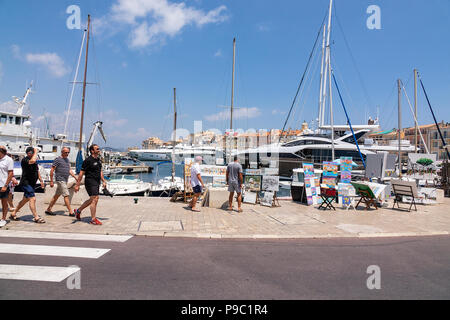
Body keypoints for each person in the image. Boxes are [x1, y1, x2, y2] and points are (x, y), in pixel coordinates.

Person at [10, 147, 46, 223]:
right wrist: (36, 151)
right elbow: (32, 161)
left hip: (32, 183)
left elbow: (37, 171)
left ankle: (13, 213)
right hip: (26, 183)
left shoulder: (35, 161)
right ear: (27, 153)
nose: (30, 154)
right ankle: (36, 217)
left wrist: (41, 180)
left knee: (25, 199)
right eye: (29, 153)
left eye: (31, 153)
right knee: (32, 199)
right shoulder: (25, 160)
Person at [74, 144, 107, 225]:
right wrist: (77, 184)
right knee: (94, 199)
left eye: (99, 148)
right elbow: (81, 173)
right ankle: (93, 219)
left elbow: (100, 171)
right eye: (97, 149)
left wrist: (103, 181)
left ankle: (78, 211)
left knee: (94, 199)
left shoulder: (98, 160)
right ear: (92, 151)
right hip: (90, 181)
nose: (99, 150)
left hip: (97, 182)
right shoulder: (88, 160)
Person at [45, 147, 78, 217]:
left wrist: (75, 177)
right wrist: (51, 181)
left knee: (56, 196)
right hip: (60, 180)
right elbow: (52, 170)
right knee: (66, 195)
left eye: (68, 152)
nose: (67, 154)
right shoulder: (58, 160)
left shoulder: (67, 160)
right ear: (62, 152)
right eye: (66, 152)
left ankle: (48, 209)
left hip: (65, 180)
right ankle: (71, 212)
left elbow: (69, 170)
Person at [0, 146, 14, 227]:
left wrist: (5, 185)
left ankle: (3, 219)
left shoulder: (8, 160)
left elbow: (10, 173)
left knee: (4, 202)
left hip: (3, 185)